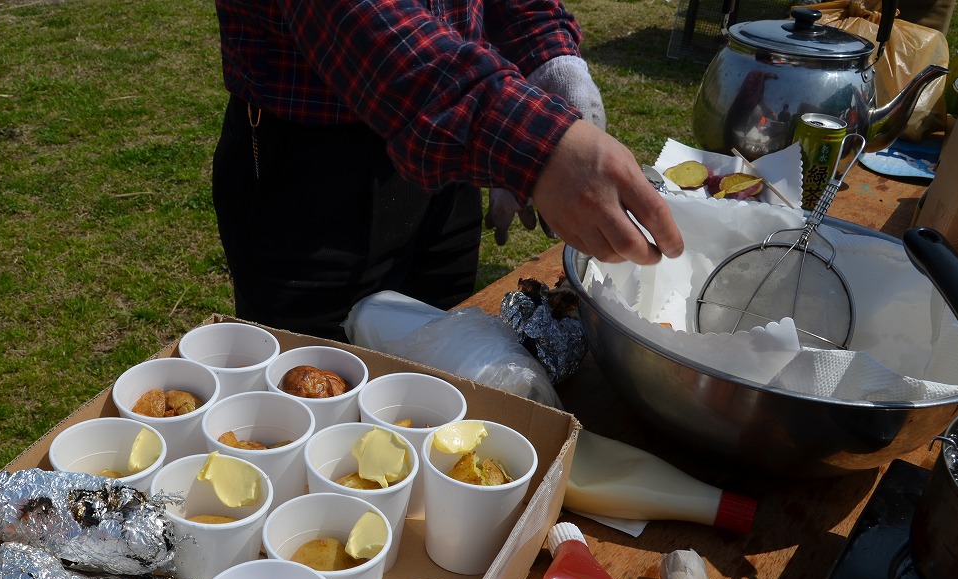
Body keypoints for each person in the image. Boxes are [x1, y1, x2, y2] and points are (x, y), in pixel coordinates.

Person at [212, 0, 684, 340]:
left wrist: (552, 65)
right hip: (314, 176)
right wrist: (533, 144)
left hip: (446, 155)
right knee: (312, 399)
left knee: (438, 369)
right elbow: (361, 20)